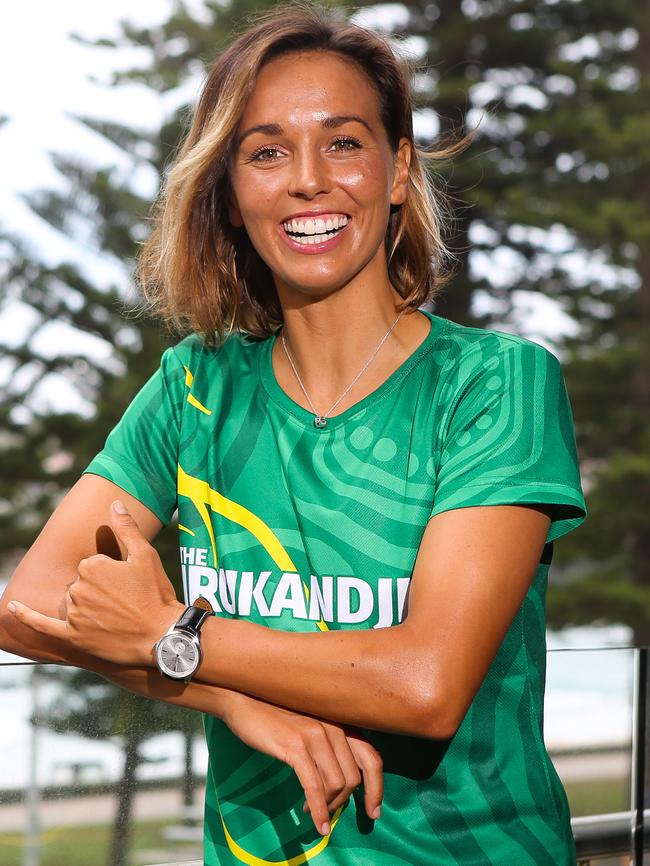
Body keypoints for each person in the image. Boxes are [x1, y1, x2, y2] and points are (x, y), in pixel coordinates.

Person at [0, 4, 587, 865]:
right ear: (232, 196)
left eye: (344, 142)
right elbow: (26, 608)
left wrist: (176, 632)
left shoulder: (495, 384)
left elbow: (424, 685)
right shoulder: (195, 388)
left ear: (397, 172)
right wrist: (228, 696)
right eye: (266, 152)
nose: (308, 180)